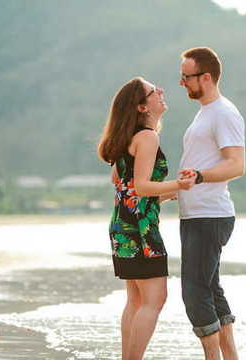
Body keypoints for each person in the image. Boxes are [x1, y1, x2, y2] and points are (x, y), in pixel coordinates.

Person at [97, 77, 194, 360]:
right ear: (141, 106)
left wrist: (170, 194)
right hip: (140, 231)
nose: (161, 91)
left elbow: (130, 191)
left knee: (136, 300)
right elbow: (141, 187)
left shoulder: (128, 138)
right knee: (154, 300)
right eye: (154, 91)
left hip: (124, 226)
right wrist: (180, 184)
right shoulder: (147, 137)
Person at [177, 47, 246, 360]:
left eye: (186, 76)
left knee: (195, 292)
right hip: (198, 214)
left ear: (206, 77)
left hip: (209, 215)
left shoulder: (224, 112)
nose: (182, 83)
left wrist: (200, 177)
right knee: (210, 289)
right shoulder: (205, 112)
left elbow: (237, 165)